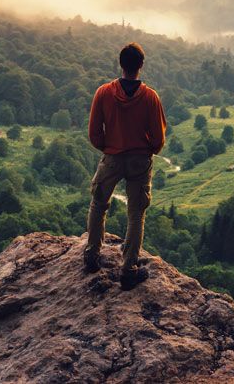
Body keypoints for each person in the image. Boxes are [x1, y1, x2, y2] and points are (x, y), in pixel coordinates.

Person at [84, 42, 167, 290]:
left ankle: (91, 257)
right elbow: (159, 138)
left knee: (98, 205)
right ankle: (128, 268)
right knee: (136, 212)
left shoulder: (104, 93)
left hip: (111, 158)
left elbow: (94, 133)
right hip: (139, 160)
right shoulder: (150, 97)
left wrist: (109, 149)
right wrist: (147, 150)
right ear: (141, 66)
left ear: (121, 64)